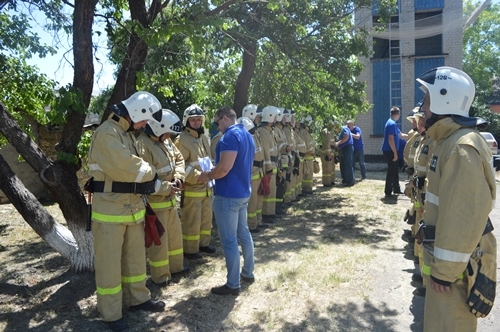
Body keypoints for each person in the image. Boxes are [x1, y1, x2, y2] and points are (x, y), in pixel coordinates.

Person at [417, 66, 497, 331]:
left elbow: (464, 213)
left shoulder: (461, 147)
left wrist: (445, 271)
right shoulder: (449, 141)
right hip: (449, 271)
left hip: (454, 276)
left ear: (444, 99)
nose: (423, 108)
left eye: (427, 100)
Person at [87, 91, 166, 331]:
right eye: (144, 120)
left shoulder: (125, 133)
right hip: (110, 211)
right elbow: (128, 167)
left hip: (131, 208)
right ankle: (111, 314)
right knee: (109, 266)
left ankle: (137, 299)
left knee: (134, 259)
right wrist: (153, 172)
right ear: (134, 113)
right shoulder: (107, 134)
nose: (145, 125)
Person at [198, 106, 255, 296]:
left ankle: (232, 284)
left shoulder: (230, 136)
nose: (217, 127)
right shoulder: (247, 135)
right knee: (244, 234)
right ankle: (248, 273)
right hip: (242, 193)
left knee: (230, 240)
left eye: (216, 122)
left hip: (228, 195)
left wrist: (207, 175)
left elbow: (223, 169)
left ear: (224, 119)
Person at [137, 109, 189, 286]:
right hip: (155, 204)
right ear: (157, 128)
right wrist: (168, 187)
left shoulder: (165, 141)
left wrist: (179, 177)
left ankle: (176, 268)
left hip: (170, 201)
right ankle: (161, 277)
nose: (169, 136)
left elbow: (180, 159)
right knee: (159, 243)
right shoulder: (143, 146)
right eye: (166, 132)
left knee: (174, 238)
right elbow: (146, 179)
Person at [175, 104, 215, 260]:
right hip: (192, 188)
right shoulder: (181, 139)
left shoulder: (203, 137)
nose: (197, 123)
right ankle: (191, 250)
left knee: (205, 219)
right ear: (187, 121)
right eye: (193, 120)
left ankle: (203, 244)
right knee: (192, 220)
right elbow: (180, 165)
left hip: (205, 187)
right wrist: (199, 176)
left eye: (199, 120)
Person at [242, 104, 264, 230]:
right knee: (252, 202)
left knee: (258, 200)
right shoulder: (247, 133)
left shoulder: (255, 132)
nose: (258, 119)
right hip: (252, 172)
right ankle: (251, 224)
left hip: (258, 172)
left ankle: (257, 222)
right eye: (257, 116)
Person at [256, 106, 280, 222]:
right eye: (275, 116)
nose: (276, 119)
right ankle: (266, 215)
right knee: (267, 195)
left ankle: (270, 212)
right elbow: (265, 152)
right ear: (270, 117)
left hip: (274, 167)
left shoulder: (270, 131)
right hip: (268, 169)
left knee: (271, 193)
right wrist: (268, 168)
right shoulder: (263, 132)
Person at [381, 107, 405, 197]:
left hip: (392, 150)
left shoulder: (392, 123)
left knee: (395, 170)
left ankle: (396, 189)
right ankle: (388, 191)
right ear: (398, 114)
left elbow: (401, 135)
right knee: (391, 171)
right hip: (389, 151)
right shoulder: (391, 124)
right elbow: (390, 139)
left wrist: (413, 136)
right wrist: (395, 153)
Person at [299, 115, 316, 194]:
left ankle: (308, 189)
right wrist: (312, 151)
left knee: (309, 175)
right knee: (307, 175)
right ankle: (306, 189)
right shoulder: (304, 132)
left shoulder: (306, 131)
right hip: (307, 157)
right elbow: (307, 146)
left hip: (310, 157)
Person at [335, 121, 355, 187]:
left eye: (335, 128)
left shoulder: (343, 128)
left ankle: (350, 181)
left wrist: (338, 143)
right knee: (343, 165)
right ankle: (345, 180)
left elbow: (346, 136)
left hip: (348, 148)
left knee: (348, 164)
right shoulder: (341, 130)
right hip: (343, 149)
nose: (335, 130)